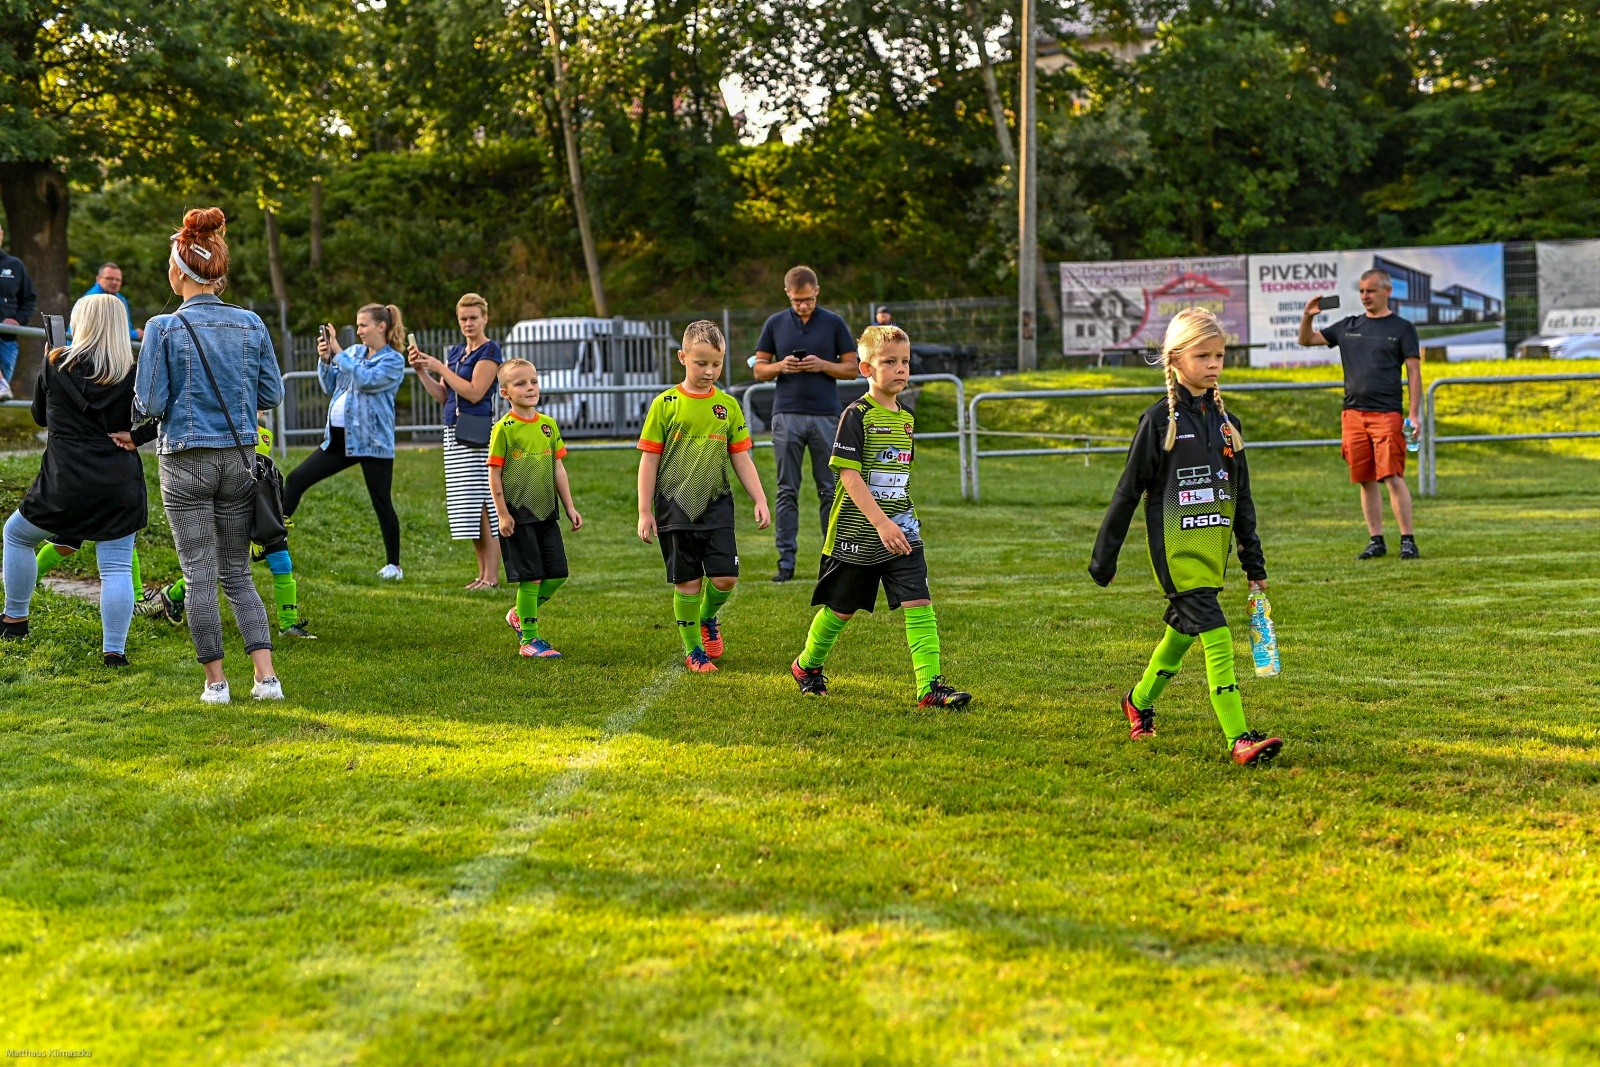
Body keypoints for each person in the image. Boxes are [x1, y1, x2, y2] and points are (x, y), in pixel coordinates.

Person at [1089, 308, 1282, 766]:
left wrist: (1253, 564)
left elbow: (1242, 498)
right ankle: (1239, 738)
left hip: (1212, 551)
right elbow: (1127, 492)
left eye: (1220, 355)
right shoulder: (1158, 421)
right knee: (1216, 635)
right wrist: (1104, 558)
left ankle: (1138, 701)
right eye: (1203, 355)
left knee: (1180, 633)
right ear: (1175, 359)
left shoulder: (1227, 424)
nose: (1214, 364)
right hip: (1176, 553)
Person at [136, 207, 284, 703]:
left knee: (199, 575)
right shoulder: (251, 324)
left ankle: (216, 684)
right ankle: (266, 679)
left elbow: (150, 403)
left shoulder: (162, 328)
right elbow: (272, 393)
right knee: (237, 573)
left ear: (180, 272)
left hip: (184, 460)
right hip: (239, 458)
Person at [788, 325, 972, 709]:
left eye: (905, 361)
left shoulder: (907, 418)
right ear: (866, 369)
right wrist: (880, 523)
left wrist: (898, 520)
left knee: (919, 603)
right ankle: (807, 666)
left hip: (902, 529)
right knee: (840, 610)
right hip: (857, 531)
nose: (900, 368)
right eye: (889, 362)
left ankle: (929, 688)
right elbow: (849, 476)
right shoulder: (857, 416)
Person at [1, 295, 151, 664]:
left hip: (63, 480)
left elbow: (39, 416)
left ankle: (15, 619)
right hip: (117, 480)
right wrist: (139, 436)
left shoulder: (55, 364)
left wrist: (47, 363)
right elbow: (171, 409)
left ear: (80, 323)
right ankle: (114, 652)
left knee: (16, 535)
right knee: (116, 567)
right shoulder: (133, 373)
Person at [637, 320, 770, 673]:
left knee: (726, 578)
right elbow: (648, 460)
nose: (709, 371)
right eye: (701, 363)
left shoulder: (727, 405)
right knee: (688, 582)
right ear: (683, 358)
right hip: (674, 508)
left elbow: (741, 456)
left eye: (716, 363)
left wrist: (759, 498)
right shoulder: (665, 404)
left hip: (717, 507)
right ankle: (694, 650)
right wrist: (644, 511)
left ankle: (708, 617)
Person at [1298, 270, 1422, 560]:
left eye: (1371, 291)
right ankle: (1376, 540)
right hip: (1352, 415)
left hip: (1387, 414)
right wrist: (1308, 315)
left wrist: (1414, 414)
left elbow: (1414, 373)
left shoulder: (1402, 328)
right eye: (1362, 291)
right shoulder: (1348, 326)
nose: (1365, 296)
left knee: (1392, 476)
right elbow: (1306, 339)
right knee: (1364, 478)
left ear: (1387, 291)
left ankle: (1408, 540)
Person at [160, 416, 313, 639]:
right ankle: (173, 594)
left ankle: (288, 624)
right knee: (216, 569)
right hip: (233, 509)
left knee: (282, 561)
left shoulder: (264, 433)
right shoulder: (218, 428)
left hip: (263, 509)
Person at [752, 265, 859, 582]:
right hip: (786, 413)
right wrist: (781, 366)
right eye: (797, 300)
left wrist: (822, 365)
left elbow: (852, 368)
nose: (803, 305)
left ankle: (833, 559)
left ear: (817, 292)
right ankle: (786, 562)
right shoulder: (774, 324)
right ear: (787, 294)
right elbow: (759, 369)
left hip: (826, 414)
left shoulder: (834, 323)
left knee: (830, 489)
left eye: (809, 300)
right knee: (787, 490)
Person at [285, 304, 407, 580]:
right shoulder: (352, 353)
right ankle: (269, 543)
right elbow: (331, 386)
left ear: (381, 326)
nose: (359, 330)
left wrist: (339, 354)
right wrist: (325, 360)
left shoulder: (393, 361)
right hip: (340, 440)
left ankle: (394, 566)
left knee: (381, 502)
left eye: (363, 325)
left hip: (373, 442)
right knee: (296, 479)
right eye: (358, 324)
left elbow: (366, 380)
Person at [489, 359, 582, 658]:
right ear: (505, 392)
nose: (530, 388)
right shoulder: (504, 429)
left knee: (557, 574)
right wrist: (503, 514)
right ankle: (529, 640)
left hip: (546, 514)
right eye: (520, 383)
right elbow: (494, 474)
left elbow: (558, 468)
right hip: (518, 517)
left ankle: (519, 613)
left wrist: (569, 507)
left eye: (533, 381)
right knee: (532, 578)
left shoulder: (548, 425)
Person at [409, 293, 504, 588]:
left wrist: (440, 368)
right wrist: (422, 371)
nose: (468, 323)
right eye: (463, 318)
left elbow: (475, 392)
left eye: (473, 317)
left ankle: (492, 577)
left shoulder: (490, 351)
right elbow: (444, 395)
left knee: (484, 504)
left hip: (478, 432)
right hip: (454, 431)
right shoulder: (456, 353)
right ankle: (481, 574)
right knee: (468, 505)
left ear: (485, 318)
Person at [0, 222, 39, 401]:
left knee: (2, 394)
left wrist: (17, 320)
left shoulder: (14, 265)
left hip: (7, 339)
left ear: (2, 235)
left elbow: (29, 299)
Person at [84, 262, 143, 341]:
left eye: (118, 280)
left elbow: (126, 327)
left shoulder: (120, 299)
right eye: (109, 278)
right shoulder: (93, 299)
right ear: (98, 279)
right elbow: (103, 332)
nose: (114, 282)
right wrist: (134, 334)